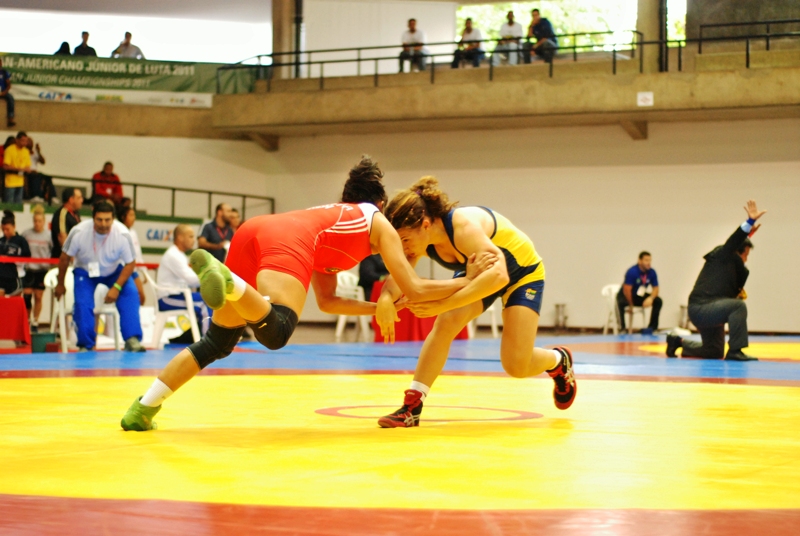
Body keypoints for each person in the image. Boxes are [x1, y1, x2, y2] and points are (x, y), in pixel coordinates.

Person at [120, 156, 496, 431]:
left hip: (256, 232)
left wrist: (377, 307)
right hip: (288, 240)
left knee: (217, 342)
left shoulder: (335, 220)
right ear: (380, 205)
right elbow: (412, 287)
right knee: (278, 329)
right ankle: (230, 282)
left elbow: (329, 301)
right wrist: (466, 280)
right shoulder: (377, 222)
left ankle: (142, 408)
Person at [374, 176, 576, 428]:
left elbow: (500, 275)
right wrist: (384, 297)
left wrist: (442, 304)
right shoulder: (421, 239)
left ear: (425, 225)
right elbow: (399, 277)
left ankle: (558, 361)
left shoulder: (462, 227)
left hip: (522, 273)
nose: (403, 248)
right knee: (446, 322)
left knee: (516, 365)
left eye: (404, 240)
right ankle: (412, 406)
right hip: (481, 271)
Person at [666, 200, 766, 362]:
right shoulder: (722, 255)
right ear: (738, 252)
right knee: (738, 306)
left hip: (711, 310)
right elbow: (733, 242)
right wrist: (749, 223)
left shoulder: (735, 268)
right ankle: (735, 351)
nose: (747, 259)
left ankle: (678, 342)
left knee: (714, 350)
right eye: (746, 254)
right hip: (702, 308)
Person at [55, 201, 145, 352]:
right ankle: (86, 344)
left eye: (107, 220)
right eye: (99, 220)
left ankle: (132, 339)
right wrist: (60, 284)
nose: (103, 224)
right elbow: (64, 258)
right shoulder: (78, 232)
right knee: (83, 304)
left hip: (114, 271)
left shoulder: (123, 233)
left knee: (130, 293)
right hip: (85, 272)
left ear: (113, 219)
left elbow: (131, 263)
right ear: (92, 218)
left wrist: (116, 287)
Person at [157, 224, 211, 336]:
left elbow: (190, 280)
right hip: (167, 298)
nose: (194, 240)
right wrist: (210, 276)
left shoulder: (179, 255)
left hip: (179, 295)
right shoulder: (173, 255)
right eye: (190, 236)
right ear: (180, 237)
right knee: (204, 303)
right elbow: (192, 280)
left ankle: (203, 336)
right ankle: (209, 341)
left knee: (209, 298)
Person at [22, 205, 53, 331]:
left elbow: (53, 250)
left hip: (42, 270)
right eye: (35, 221)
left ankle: (35, 322)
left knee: (38, 296)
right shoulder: (26, 234)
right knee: (27, 297)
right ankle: (26, 321)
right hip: (29, 270)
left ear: (44, 222)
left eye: (40, 221)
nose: (37, 223)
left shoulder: (48, 236)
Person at [616, 251, 662, 334]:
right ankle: (622, 328)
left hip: (638, 295)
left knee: (658, 301)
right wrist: (631, 305)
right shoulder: (632, 271)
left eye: (650, 260)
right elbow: (627, 290)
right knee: (621, 302)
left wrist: (651, 298)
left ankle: (652, 328)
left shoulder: (651, 272)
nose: (648, 263)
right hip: (627, 295)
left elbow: (656, 288)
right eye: (646, 260)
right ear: (640, 261)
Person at [117, 206, 146, 306]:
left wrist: (144, 272)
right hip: (121, 270)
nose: (133, 218)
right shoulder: (117, 231)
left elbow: (138, 253)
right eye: (131, 215)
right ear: (123, 217)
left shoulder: (133, 233)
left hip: (133, 270)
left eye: (134, 215)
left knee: (141, 296)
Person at [0, 210, 30, 298]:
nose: (5, 232)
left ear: (14, 227)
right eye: (3, 229)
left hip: (15, 277)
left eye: (7, 229)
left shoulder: (21, 241)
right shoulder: (1, 241)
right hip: (1, 277)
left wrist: (9, 258)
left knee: (14, 304)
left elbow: (27, 257)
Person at [51, 187, 83, 259]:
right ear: (71, 200)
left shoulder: (75, 214)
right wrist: (72, 259)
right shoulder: (62, 214)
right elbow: (62, 238)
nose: (82, 200)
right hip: (63, 260)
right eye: (79, 198)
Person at [3, 132, 31, 204]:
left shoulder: (26, 151)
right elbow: (5, 166)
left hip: (20, 182)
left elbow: (28, 166)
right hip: (10, 182)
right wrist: (18, 169)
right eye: (22, 140)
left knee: (18, 205)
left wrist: (26, 170)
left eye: (26, 141)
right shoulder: (9, 150)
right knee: (9, 204)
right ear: (17, 140)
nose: (24, 143)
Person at [25, 137, 55, 204]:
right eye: (29, 142)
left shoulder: (35, 152)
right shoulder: (23, 152)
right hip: (28, 172)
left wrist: (38, 152)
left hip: (35, 172)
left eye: (31, 142)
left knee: (48, 178)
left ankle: (52, 196)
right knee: (35, 177)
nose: (31, 143)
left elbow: (43, 162)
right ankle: (36, 196)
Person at [0, 58, 15, 128]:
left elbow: (9, 85)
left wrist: (4, 92)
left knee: (10, 98)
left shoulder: (4, 72)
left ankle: (10, 118)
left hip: (3, 92)